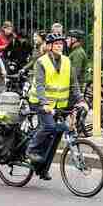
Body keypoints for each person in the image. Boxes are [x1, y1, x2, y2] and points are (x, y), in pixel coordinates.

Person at [26, 33, 80, 179]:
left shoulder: (67, 61)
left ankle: (42, 168)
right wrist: (44, 104)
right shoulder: (41, 62)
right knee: (49, 127)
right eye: (56, 44)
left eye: (61, 44)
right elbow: (40, 85)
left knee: (57, 133)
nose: (59, 46)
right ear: (49, 46)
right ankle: (30, 150)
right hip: (39, 101)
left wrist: (80, 100)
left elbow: (74, 84)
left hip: (58, 104)